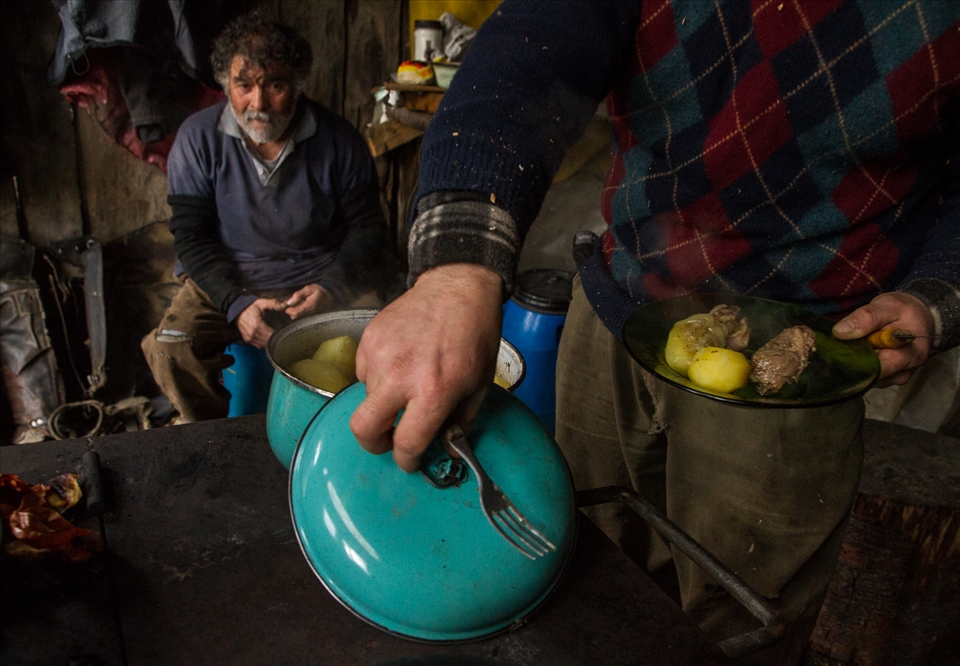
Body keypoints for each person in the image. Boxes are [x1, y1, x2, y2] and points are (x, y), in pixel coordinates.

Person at [347, 1, 959, 663]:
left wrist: (941, 294)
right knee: (583, 563)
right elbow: (534, 39)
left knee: (739, 621)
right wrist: (456, 266)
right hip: (617, 309)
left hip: (794, 370)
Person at [142, 11, 399, 423]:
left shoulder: (338, 140)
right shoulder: (197, 139)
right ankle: (210, 439)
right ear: (227, 83)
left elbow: (369, 230)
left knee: (380, 339)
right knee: (171, 346)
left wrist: (331, 288)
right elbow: (192, 238)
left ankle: (343, 433)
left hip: (319, 277)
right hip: (229, 279)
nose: (257, 103)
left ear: (297, 84)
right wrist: (236, 303)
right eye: (244, 86)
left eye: (275, 86)